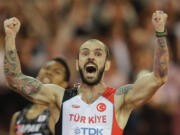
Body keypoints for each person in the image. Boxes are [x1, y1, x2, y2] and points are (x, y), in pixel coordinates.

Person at [4, 10, 169, 135]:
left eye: (98, 54)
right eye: (85, 53)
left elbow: (159, 78)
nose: (91, 57)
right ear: (77, 64)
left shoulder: (120, 99)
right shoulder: (59, 97)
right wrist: (10, 38)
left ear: (107, 64)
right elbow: (14, 79)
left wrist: (160, 32)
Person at [9, 58, 70, 135]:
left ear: (64, 85)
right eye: (46, 68)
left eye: (57, 72)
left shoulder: (60, 115)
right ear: (37, 76)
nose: (49, 72)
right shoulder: (17, 117)